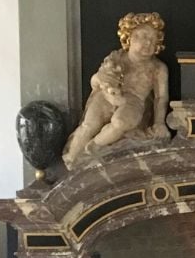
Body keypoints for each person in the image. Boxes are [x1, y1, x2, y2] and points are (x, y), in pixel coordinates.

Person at [63, 12, 170, 168]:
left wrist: (160, 122)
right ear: (128, 38)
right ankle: (72, 161)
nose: (148, 42)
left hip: (134, 101)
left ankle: (93, 147)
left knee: (120, 123)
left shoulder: (158, 68)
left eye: (153, 39)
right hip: (107, 96)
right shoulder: (116, 58)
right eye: (142, 36)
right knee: (89, 125)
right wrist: (100, 80)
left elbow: (161, 98)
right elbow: (95, 81)